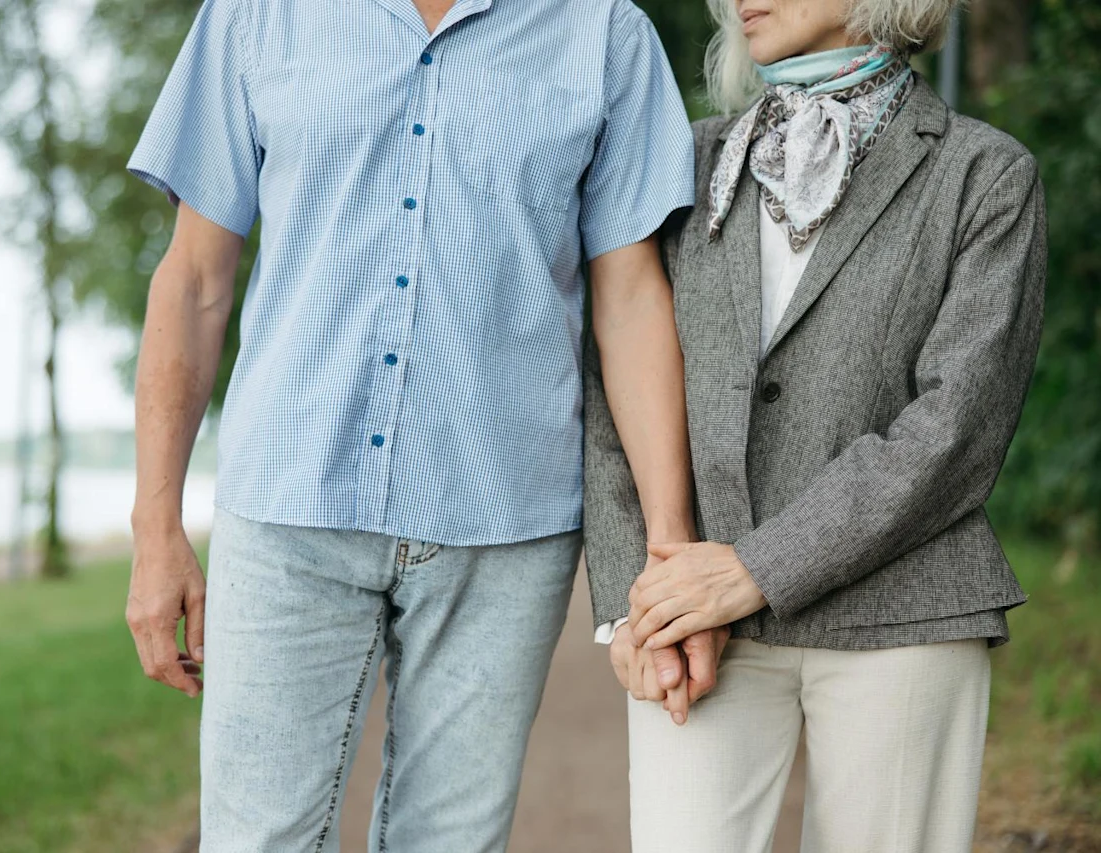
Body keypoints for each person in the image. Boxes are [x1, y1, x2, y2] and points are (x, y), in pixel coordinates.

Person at [122, 0, 703, 850]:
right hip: (289, 507)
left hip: (507, 523)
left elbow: (631, 297)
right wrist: (155, 526)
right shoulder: (258, 14)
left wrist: (670, 544)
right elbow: (193, 282)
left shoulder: (603, 30)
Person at [583, 0, 1048, 846]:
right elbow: (615, 382)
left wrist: (758, 568)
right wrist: (631, 602)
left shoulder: (986, 176)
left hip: (907, 613)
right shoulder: (683, 164)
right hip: (696, 620)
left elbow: (956, 427)